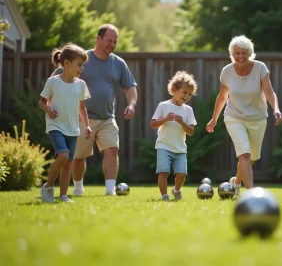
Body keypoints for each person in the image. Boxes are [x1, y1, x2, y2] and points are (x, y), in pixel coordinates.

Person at [52, 24, 138, 196]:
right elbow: (57, 78)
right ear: (98, 39)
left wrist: (131, 104)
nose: (112, 44)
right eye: (109, 40)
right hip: (82, 117)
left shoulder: (118, 63)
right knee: (78, 157)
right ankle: (78, 188)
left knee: (112, 150)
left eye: (115, 41)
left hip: (107, 117)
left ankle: (110, 190)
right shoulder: (83, 58)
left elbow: (130, 87)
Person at [206, 35, 282, 196]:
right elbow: (222, 97)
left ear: (250, 53)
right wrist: (214, 119)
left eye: (244, 53)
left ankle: (236, 182)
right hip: (234, 117)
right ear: (232, 54)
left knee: (252, 157)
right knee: (245, 154)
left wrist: (275, 108)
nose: (240, 56)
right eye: (237, 53)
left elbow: (269, 92)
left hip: (258, 118)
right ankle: (250, 194)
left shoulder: (260, 68)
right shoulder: (227, 71)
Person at [39, 43, 92, 203]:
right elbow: (42, 102)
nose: (82, 68)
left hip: (72, 128)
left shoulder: (81, 85)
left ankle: (63, 195)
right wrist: (48, 110)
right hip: (56, 126)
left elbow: (82, 108)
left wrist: (87, 125)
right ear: (66, 63)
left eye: (83, 65)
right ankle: (48, 187)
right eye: (79, 64)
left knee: (68, 163)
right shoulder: (53, 82)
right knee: (63, 155)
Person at [150, 71, 198, 201]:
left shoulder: (188, 110)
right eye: (184, 92)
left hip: (180, 148)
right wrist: (165, 119)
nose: (187, 96)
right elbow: (153, 124)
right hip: (164, 145)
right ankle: (164, 196)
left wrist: (182, 122)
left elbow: (191, 132)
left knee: (181, 175)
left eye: (189, 94)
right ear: (175, 89)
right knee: (163, 172)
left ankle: (176, 190)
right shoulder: (163, 106)